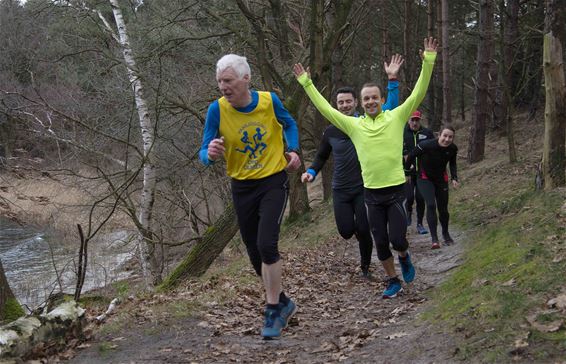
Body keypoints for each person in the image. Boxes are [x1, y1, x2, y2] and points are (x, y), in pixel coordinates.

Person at [294, 37, 438, 299]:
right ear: (361, 103)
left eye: (374, 97)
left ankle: (404, 257)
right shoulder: (354, 126)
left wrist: (428, 61)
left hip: (395, 190)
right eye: (366, 99)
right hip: (370, 193)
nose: (370, 101)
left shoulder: (396, 117)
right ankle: (392, 279)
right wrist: (306, 83)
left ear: (382, 99)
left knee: (397, 240)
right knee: (380, 243)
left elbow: (419, 92)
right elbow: (325, 108)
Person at [199, 54, 300, 339]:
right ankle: (283, 302)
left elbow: (290, 124)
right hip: (241, 186)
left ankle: (272, 311)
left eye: (228, 80)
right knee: (255, 252)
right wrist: (210, 154)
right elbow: (204, 150)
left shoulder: (269, 101)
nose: (223, 87)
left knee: (267, 244)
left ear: (246, 79)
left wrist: (292, 150)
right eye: (219, 82)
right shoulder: (216, 110)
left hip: (273, 181)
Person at [301, 56, 403, 279]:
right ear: (336, 106)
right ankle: (363, 238)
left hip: (363, 187)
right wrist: (311, 172)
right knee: (347, 231)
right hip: (340, 188)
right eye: (340, 103)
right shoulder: (331, 131)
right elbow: (320, 156)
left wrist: (392, 80)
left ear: (356, 103)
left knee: (366, 230)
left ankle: (366, 266)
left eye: (348, 101)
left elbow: (391, 107)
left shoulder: (365, 124)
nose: (345, 105)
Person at [405, 126, 459, 249]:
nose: (447, 139)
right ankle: (434, 239)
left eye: (450, 137)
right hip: (424, 178)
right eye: (445, 135)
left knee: (443, 209)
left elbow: (453, 163)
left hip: (441, 180)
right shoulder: (426, 145)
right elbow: (412, 155)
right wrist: (407, 172)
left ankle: (445, 234)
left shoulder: (452, 148)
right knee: (430, 205)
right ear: (439, 135)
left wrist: (454, 178)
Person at [403, 110, 434, 235]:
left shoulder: (427, 133)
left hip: (423, 171)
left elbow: (434, 148)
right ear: (408, 120)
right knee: (409, 197)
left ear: (420, 120)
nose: (414, 123)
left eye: (417, 120)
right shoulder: (403, 133)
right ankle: (409, 212)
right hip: (407, 172)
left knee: (420, 198)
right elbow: (397, 150)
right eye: (412, 120)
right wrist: (405, 165)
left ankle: (420, 224)